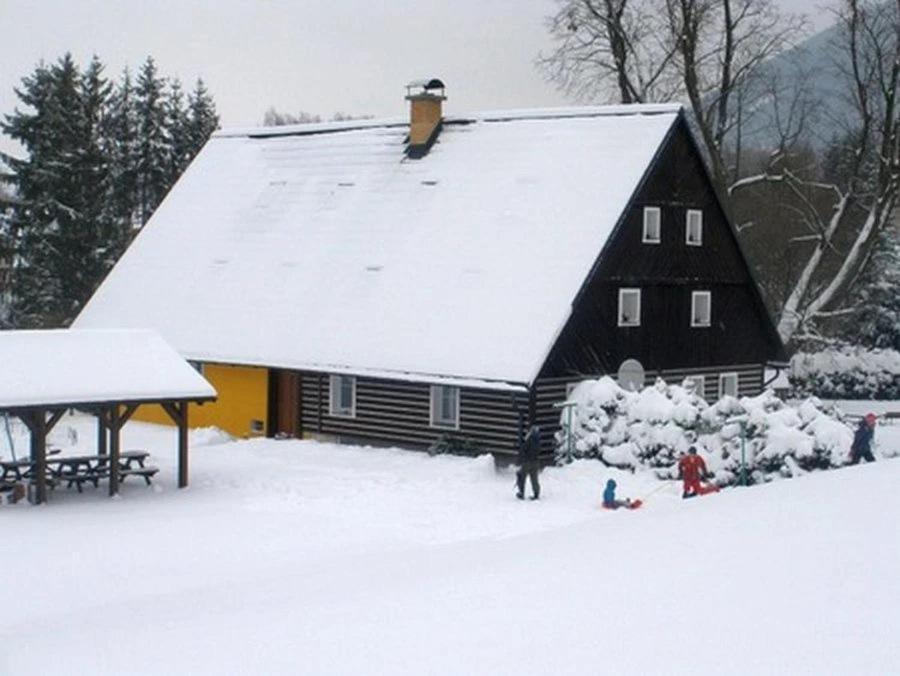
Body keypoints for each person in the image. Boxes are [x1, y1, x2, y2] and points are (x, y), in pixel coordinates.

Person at [516, 424, 542, 500]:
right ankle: (536, 493)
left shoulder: (529, 439)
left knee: (521, 476)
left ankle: (521, 493)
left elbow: (524, 449)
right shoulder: (538, 440)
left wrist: (520, 459)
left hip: (527, 461)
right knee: (534, 479)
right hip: (536, 462)